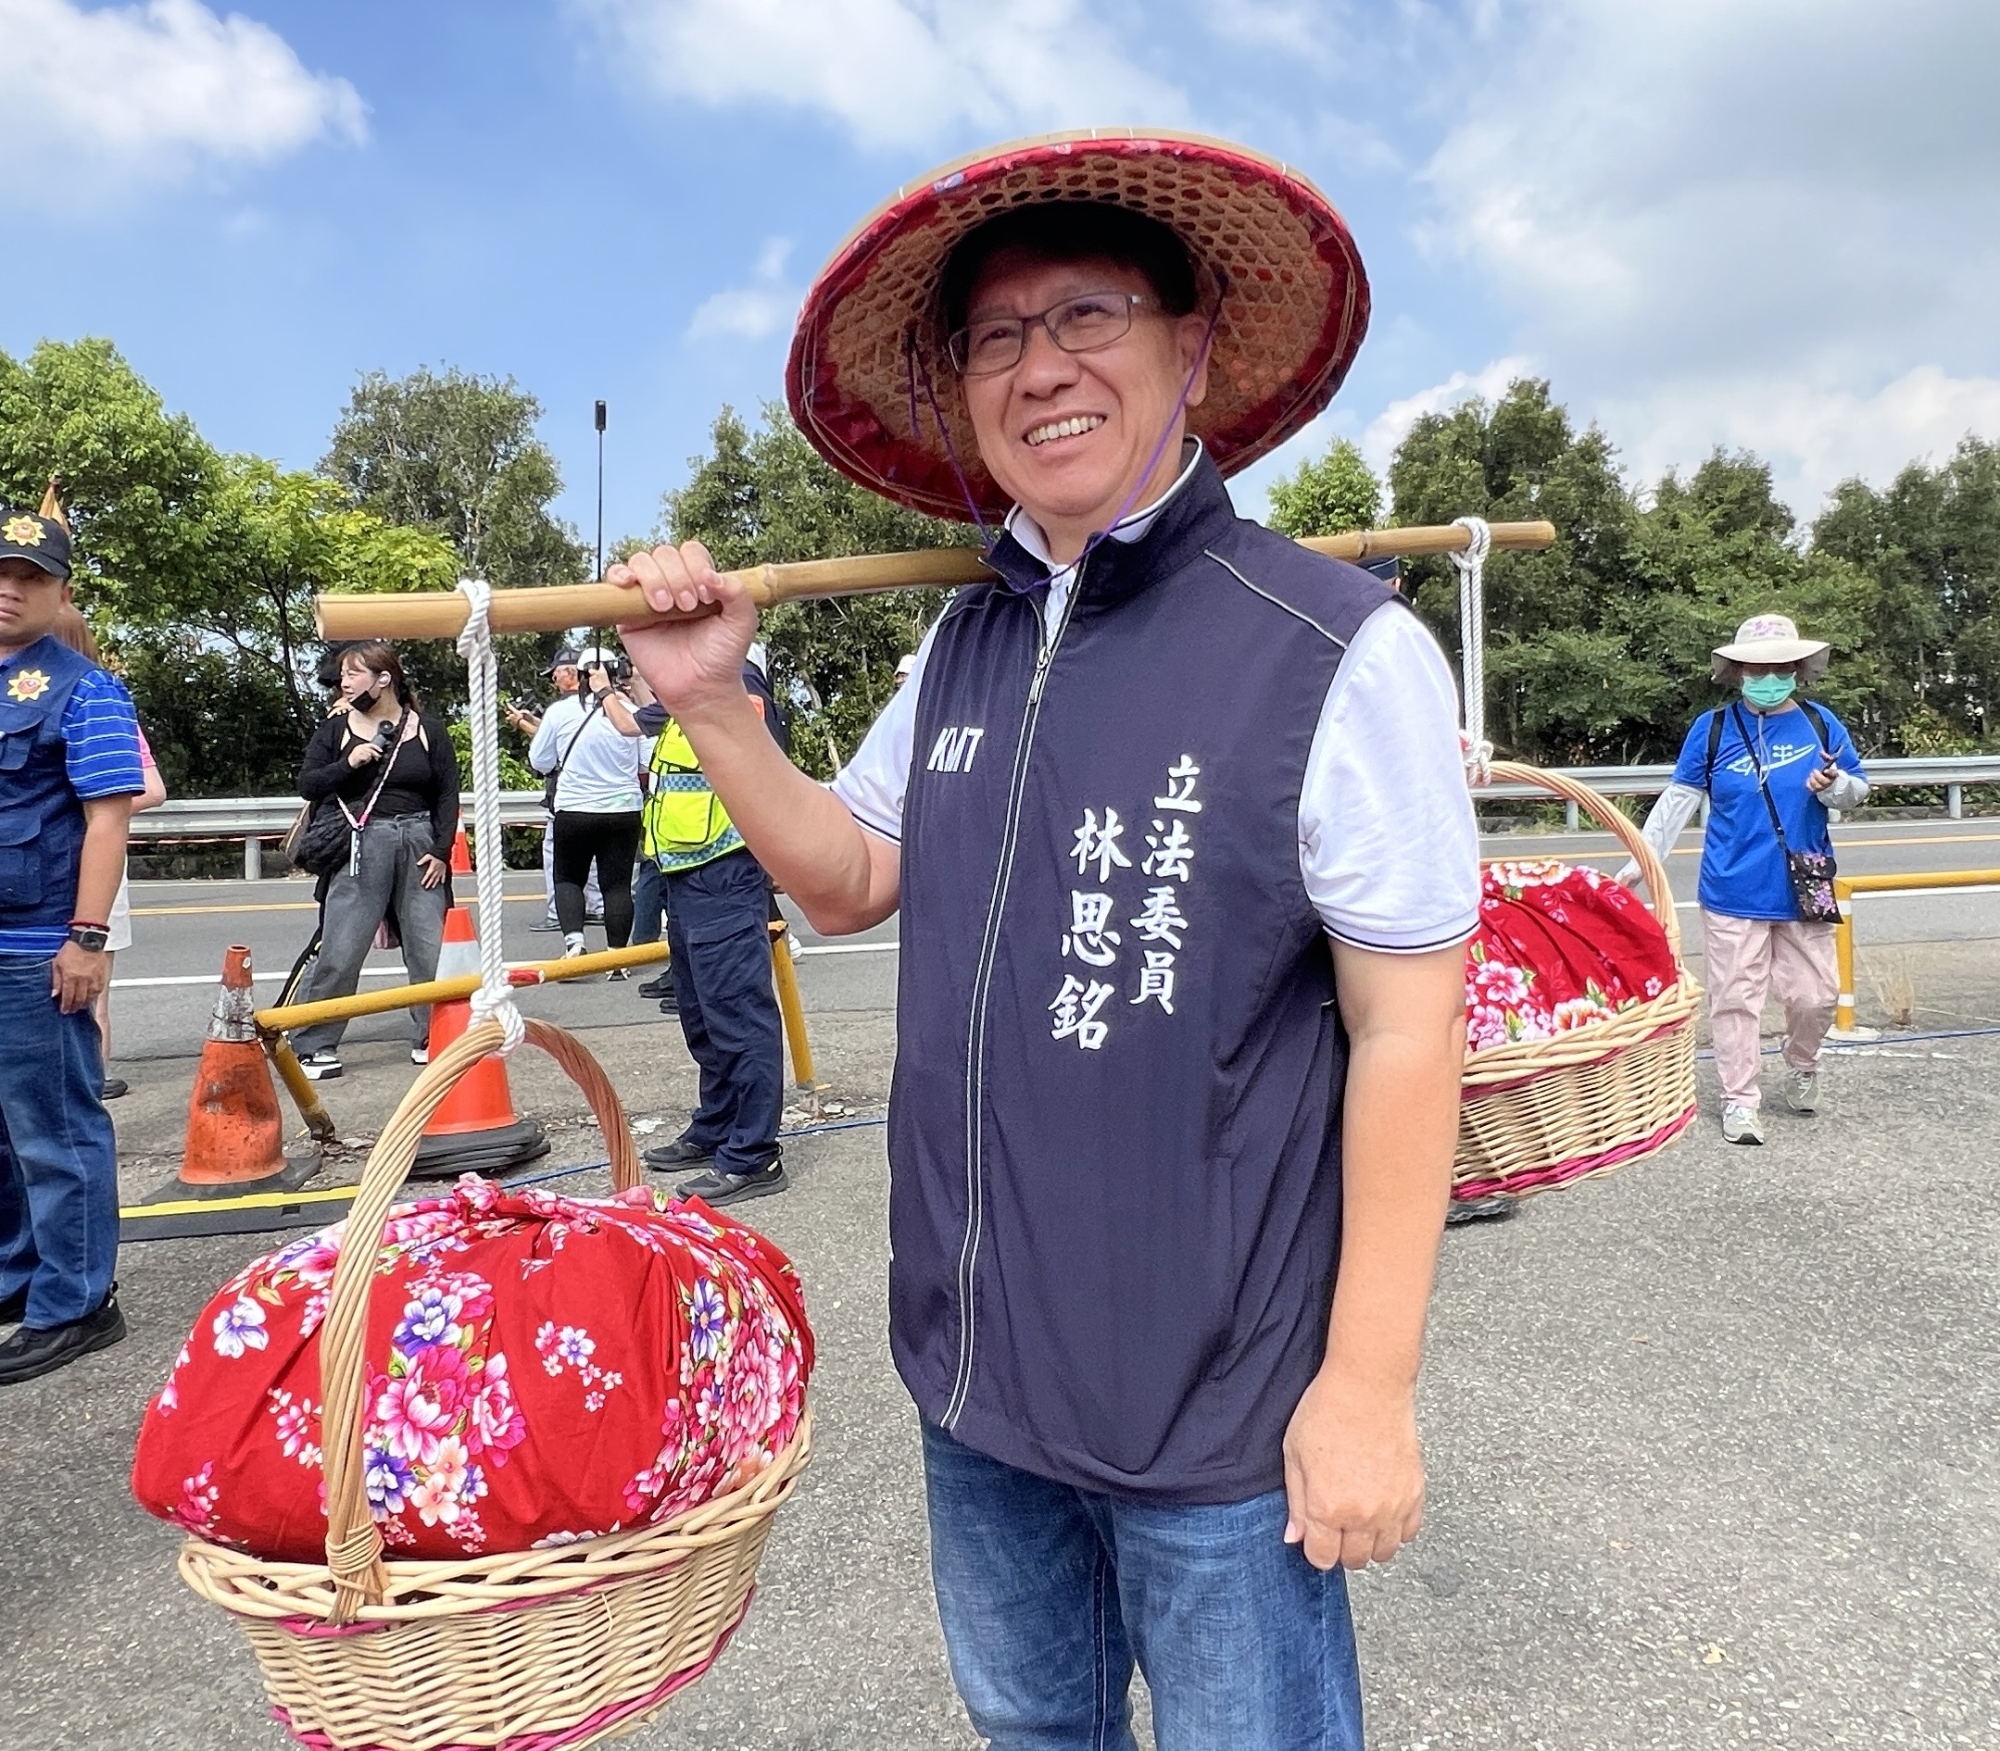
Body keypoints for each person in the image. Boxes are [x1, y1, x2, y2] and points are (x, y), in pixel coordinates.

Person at [611, 133, 1477, 1748]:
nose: (1042, 366)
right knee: (1033, 1728)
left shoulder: (1335, 649)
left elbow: (1411, 1030)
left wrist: (1367, 1390)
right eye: (996, 337)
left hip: (1218, 1411)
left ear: (1191, 345)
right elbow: (850, 877)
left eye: (1088, 314)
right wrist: (713, 704)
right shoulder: (966, 639)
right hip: (978, 1385)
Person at [0, 492, 145, 1385]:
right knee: (2, 1135)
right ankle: (19, 1276)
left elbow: (107, 820)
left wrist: (86, 938)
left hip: (37, 943)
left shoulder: (85, 688)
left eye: (30, 576)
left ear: (60, 592)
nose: (10, 590)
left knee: (53, 1129)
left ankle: (78, 1301)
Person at [1630, 614, 1868, 1145]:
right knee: (1735, 999)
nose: (1769, 677)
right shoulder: (1712, 729)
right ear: (1738, 672)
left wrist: (1833, 787)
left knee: (1815, 997)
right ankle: (1739, 1100)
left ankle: (1802, 1062)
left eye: (1781, 667)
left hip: (1804, 886)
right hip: (1730, 889)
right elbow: (1679, 800)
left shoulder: (1820, 723)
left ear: (1798, 669)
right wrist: (1642, 860)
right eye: (1757, 668)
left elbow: (1856, 790)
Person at [629, 645, 791, 1200]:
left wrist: (778, 854)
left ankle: (753, 1155)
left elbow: (766, 772)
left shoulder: (736, 681)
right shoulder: (690, 688)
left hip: (724, 871)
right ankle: (718, 1126)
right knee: (701, 1016)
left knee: (737, 1016)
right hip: (685, 873)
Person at [287, 642, 457, 1081]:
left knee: (429, 947)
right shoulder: (335, 730)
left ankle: (434, 1035)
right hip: (361, 842)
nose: (344, 682)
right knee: (341, 948)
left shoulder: (428, 729)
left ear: (384, 679)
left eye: (353, 674)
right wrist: (349, 762)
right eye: (343, 674)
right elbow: (309, 785)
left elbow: (446, 794)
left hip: (418, 840)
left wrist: (441, 851)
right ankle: (313, 1042)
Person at [47, 606, 167, 1100]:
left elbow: (153, 789)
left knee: (90, 986)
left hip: (95, 864)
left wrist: (95, 810)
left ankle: (92, 1081)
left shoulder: (99, 701)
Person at [527, 645, 645, 965]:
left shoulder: (560, 712)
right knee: (617, 885)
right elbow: (647, 762)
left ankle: (574, 944)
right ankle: (617, 956)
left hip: (574, 808)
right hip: (623, 809)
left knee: (568, 878)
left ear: (580, 675)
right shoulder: (631, 712)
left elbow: (540, 760)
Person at [507, 646, 603, 931]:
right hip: (601, 796)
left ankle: (558, 912)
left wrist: (522, 724)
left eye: (556, 673)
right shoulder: (603, 704)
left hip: (566, 795)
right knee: (593, 857)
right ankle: (596, 906)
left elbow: (548, 751)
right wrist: (533, 721)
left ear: (571, 673)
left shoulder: (560, 709)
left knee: (557, 858)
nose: (553, 680)